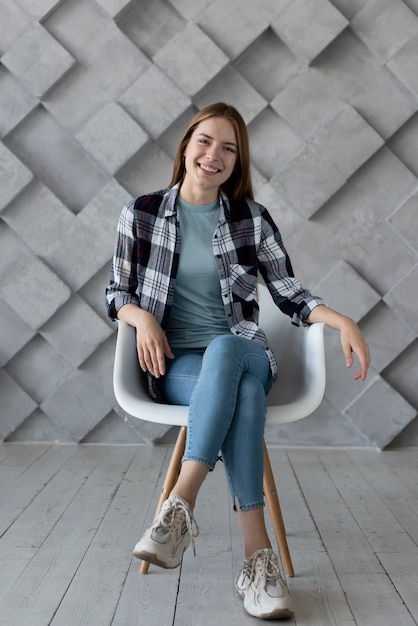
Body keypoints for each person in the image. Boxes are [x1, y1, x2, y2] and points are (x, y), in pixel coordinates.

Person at [106, 102, 370, 620]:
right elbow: (116, 292)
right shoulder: (141, 212)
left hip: (246, 351)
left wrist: (343, 321)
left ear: (238, 161)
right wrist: (144, 319)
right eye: (205, 141)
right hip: (178, 366)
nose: (214, 155)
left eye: (229, 148)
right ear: (185, 146)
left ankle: (180, 503)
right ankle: (258, 562)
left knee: (229, 350)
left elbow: (289, 292)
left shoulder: (251, 218)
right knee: (242, 398)